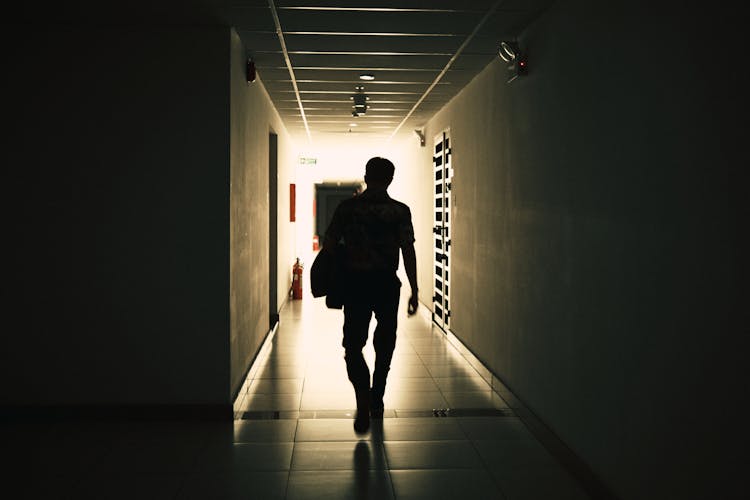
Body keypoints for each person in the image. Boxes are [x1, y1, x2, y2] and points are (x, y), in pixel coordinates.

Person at [322, 157, 419, 434]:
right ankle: (377, 396)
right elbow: (408, 250)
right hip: (387, 285)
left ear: (366, 177)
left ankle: (362, 399)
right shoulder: (400, 212)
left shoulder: (347, 209)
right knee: (385, 343)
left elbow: (329, 243)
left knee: (353, 346)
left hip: (355, 285)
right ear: (390, 179)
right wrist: (415, 288)